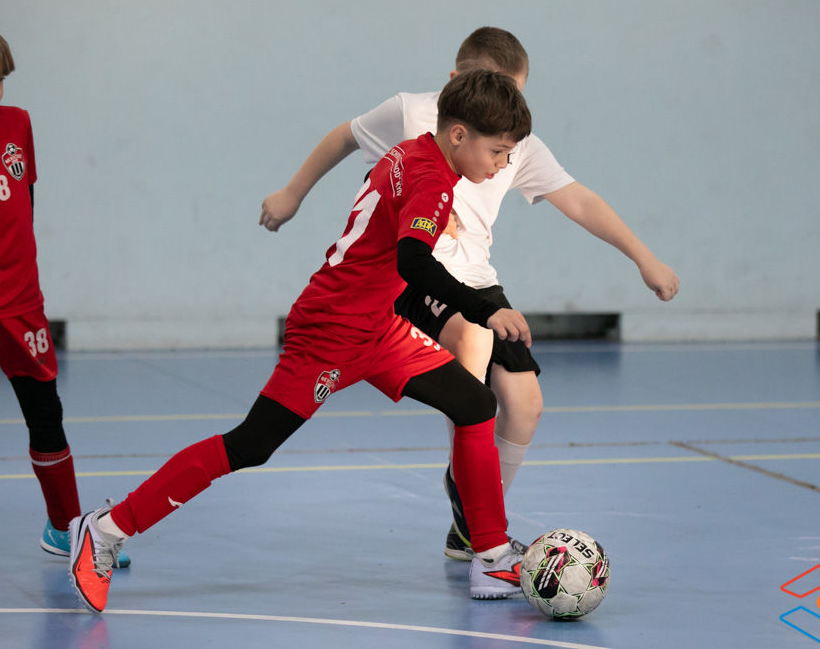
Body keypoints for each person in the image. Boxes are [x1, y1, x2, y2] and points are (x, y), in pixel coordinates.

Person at [69, 69, 534, 613]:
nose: (502, 164)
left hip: (378, 327)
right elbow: (413, 261)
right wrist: (486, 307)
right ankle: (106, 528)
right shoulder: (433, 179)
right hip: (330, 330)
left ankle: (490, 553)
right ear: (458, 135)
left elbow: (392, 212)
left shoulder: (413, 151)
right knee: (250, 445)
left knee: (474, 403)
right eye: (498, 152)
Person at [260, 27, 680, 560]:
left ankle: (471, 523)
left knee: (525, 404)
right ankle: (482, 524)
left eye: (514, 96)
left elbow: (580, 201)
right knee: (472, 344)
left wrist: (644, 258)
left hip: (478, 282)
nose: (502, 109)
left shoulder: (516, 142)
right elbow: (346, 137)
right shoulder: (413, 113)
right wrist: (292, 193)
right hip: (419, 276)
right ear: (457, 82)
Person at [0, 11, 130, 567]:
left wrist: (18, 277)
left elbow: (22, 205)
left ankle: (65, 528)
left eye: (1, 80)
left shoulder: (17, 124)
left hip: (20, 302)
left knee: (46, 416)